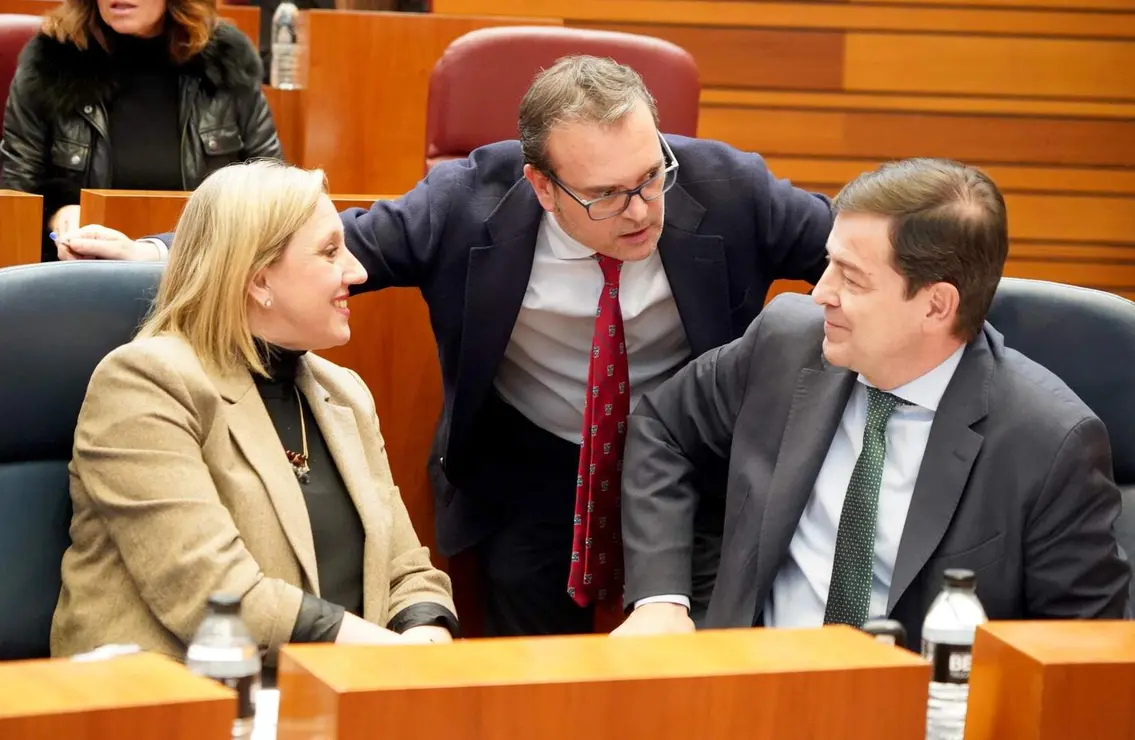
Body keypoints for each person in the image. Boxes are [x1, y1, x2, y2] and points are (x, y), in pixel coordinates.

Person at [52, 55, 834, 637]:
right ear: (541, 186)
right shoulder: (467, 202)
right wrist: (153, 253)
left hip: (693, 477)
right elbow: (320, 245)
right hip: (532, 476)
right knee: (534, 689)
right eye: (603, 195)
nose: (639, 209)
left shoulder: (728, 187)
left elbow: (862, 252)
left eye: (650, 176)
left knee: (696, 676)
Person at [613, 158, 1131, 643]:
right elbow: (663, 427)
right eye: (829, 264)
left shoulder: (1048, 443)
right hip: (753, 684)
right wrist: (662, 598)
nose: (821, 292)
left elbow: (1079, 658)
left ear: (936, 306)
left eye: (852, 278)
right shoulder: (787, 342)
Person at [52, 161, 457, 664]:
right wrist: (394, 659)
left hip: (339, 692)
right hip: (176, 704)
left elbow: (409, 571)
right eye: (331, 252)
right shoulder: (146, 382)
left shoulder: (344, 392)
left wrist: (426, 638)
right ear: (259, 279)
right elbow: (217, 595)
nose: (357, 271)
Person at [0, 0, 282, 262]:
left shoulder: (225, 62)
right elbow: (15, 194)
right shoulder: (51, 62)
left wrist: (160, 253)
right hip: (83, 276)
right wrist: (56, 216)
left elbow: (273, 195)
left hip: (203, 274)